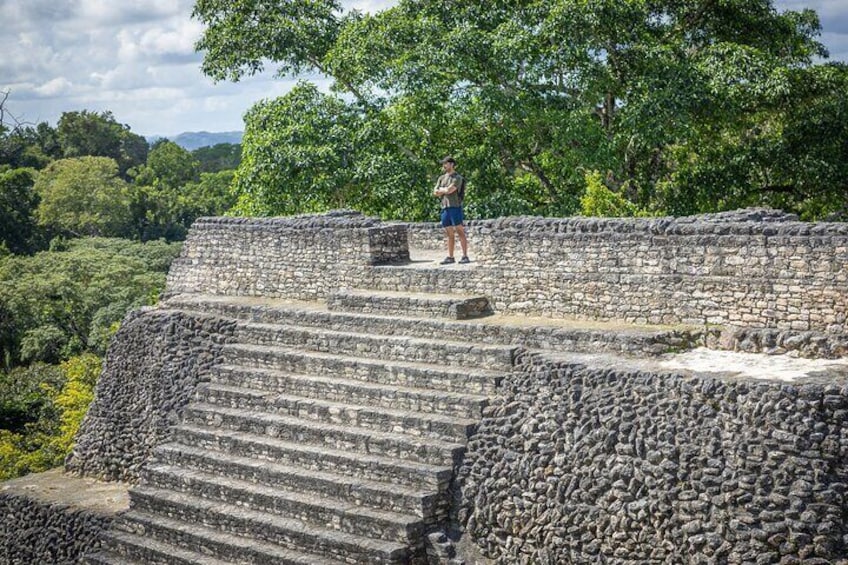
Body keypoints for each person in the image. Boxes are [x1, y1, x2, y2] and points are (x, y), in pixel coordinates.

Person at [432, 156, 470, 264]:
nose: (444, 166)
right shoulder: (441, 178)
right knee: (449, 233)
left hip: (455, 206)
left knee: (459, 231)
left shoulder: (457, 178)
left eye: (446, 163)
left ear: (451, 164)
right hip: (445, 207)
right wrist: (444, 190)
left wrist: (442, 190)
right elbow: (435, 192)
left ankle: (465, 256)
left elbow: (450, 190)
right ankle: (450, 257)